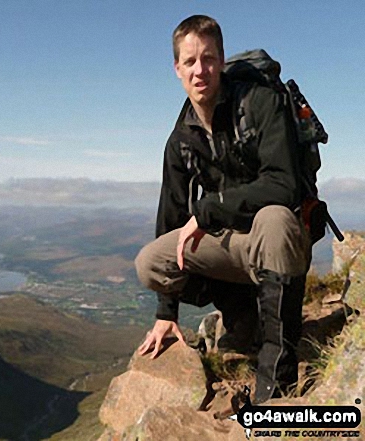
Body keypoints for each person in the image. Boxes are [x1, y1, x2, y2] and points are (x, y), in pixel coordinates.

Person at [134, 15, 312, 403]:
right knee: (151, 262)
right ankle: (242, 313)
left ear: (221, 60)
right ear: (177, 69)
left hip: (277, 241)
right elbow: (171, 217)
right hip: (235, 250)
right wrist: (166, 313)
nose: (201, 70)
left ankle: (276, 378)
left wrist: (210, 210)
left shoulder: (259, 102)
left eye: (209, 58)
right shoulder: (180, 140)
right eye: (191, 61)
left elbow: (283, 184)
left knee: (275, 218)